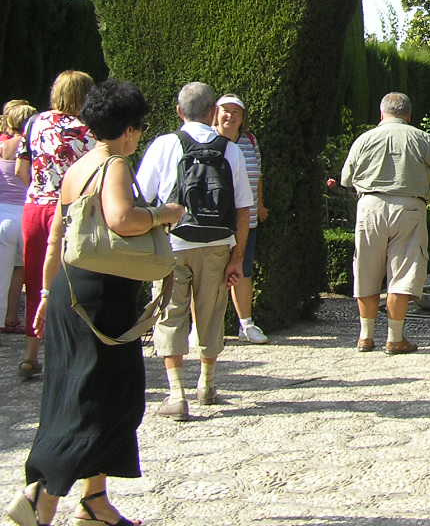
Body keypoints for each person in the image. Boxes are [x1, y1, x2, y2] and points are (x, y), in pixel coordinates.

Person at [6, 79, 182, 526]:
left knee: (77, 393)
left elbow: (55, 242)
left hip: (70, 291)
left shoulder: (76, 167)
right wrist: (165, 213)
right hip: (101, 299)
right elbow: (124, 220)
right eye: (138, 127)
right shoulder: (115, 165)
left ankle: (95, 503)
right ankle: (41, 500)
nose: (139, 135)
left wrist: (45, 294)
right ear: (126, 129)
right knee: (100, 401)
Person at [135, 82, 252, 420]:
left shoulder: (164, 145)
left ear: (179, 111)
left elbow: (142, 196)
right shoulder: (230, 150)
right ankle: (207, 383)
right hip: (217, 244)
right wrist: (238, 257)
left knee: (172, 314)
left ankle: (177, 393)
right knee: (211, 312)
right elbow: (244, 208)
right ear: (214, 112)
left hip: (172, 243)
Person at [339, 92, 430, 355]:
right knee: (403, 273)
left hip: (370, 205)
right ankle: (395, 338)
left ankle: (365, 336)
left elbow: (346, 178)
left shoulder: (364, 139)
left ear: (381, 114)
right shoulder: (422, 138)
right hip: (409, 206)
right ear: (409, 115)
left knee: (366, 269)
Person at [16, 71, 95, 380]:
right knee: (73, 279)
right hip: (70, 210)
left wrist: (40, 188)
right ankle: (68, 354)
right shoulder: (87, 130)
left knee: (36, 278)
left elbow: (23, 169)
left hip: (35, 207)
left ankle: (30, 353)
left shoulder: (34, 123)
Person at [214, 94, 269, 344]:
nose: (230, 116)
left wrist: (260, 203)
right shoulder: (208, 139)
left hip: (247, 220)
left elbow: (258, 174)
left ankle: (246, 324)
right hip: (215, 220)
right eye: (226, 111)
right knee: (210, 274)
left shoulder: (249, 140)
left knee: (244, 271)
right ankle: (204, 327)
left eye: (236, 112)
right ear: (215, 113)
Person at [1, 103, 36, 333]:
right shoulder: (31, 147)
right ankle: (15, 317)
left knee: (2, 272)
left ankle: (2, 320)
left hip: (2, 213)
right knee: (23, 272)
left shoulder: (3, 146)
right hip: (25, 213)